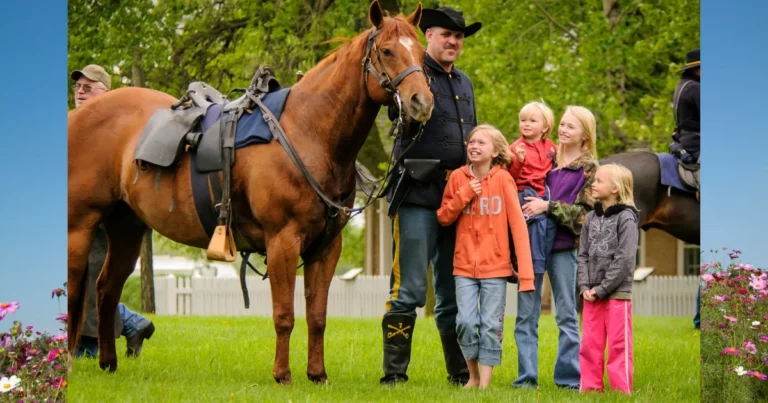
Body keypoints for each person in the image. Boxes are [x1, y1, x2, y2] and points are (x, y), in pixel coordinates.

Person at [380, 6, 481, 386]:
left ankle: (459, 376)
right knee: (409, 290)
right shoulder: (410, 72)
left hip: (459, 198)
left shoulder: (466, 83)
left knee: (453, 294)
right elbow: (396, 111)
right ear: (429, 37)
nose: (454, 41)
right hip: (418, 196)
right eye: (446, 35)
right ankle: (394, 376)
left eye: (460, 37)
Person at [436, 124, 535, 389]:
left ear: (495, 151)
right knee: (466, 322)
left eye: (481, 142)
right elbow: (444, 217)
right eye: (471, 142)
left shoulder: (504, 179)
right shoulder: (457, 177)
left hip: (496, 268)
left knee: (491, 325)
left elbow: (518, 227)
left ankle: (485, 383)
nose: (474, 146)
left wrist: (526, 276)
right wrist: (465, 194)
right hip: (464, 267)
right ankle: (473, 376)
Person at [70, 64, 156, 358]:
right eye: (77, 86)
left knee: (90, 270)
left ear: (106, 92)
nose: (81, 90)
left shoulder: (117, 126)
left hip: (105, 213)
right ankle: (132, 322)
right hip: (77, 210)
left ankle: (91, 344)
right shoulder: (73, 123)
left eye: (88, 86)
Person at [513, 105, 599, 390]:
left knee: (565, 315)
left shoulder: (589, 169)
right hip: (532, 246)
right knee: (527, 314)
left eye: (570, 127)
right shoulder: (548, 159)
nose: (563, 130)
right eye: (562, 125)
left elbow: (585, 216)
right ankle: (527, 379)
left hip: (564, 247)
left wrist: (547, 207)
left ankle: (568, 380)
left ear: (585, 136)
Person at [577, 163, 639, 394]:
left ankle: (621, 391)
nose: (593, 184)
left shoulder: (627, 218)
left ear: (615, 188)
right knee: (590, 345)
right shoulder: (591, 218)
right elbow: (582, 254)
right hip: (591, 295)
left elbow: (624, 259)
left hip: (616, 294)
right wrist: (585, 286)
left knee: (618, 344)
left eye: (599, 181)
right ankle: (591, 388)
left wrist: (602, 288)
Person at [508, 101, 558, 274]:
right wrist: (519, 161)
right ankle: (531, 264)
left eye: (532, 121)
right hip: (524, 192)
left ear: (545, 127)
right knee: (536, 224)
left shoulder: (551, 147)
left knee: (550, 224)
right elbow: (510, 178)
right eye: (523, 120)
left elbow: (557, 165)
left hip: (543, 193)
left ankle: (542, 259)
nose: (526, 124)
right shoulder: (515, 148)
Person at [669, 48, 700, 196]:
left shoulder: (683, 84)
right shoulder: (695, 88)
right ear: (698, 70)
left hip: (684, 139)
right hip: (696, 142)